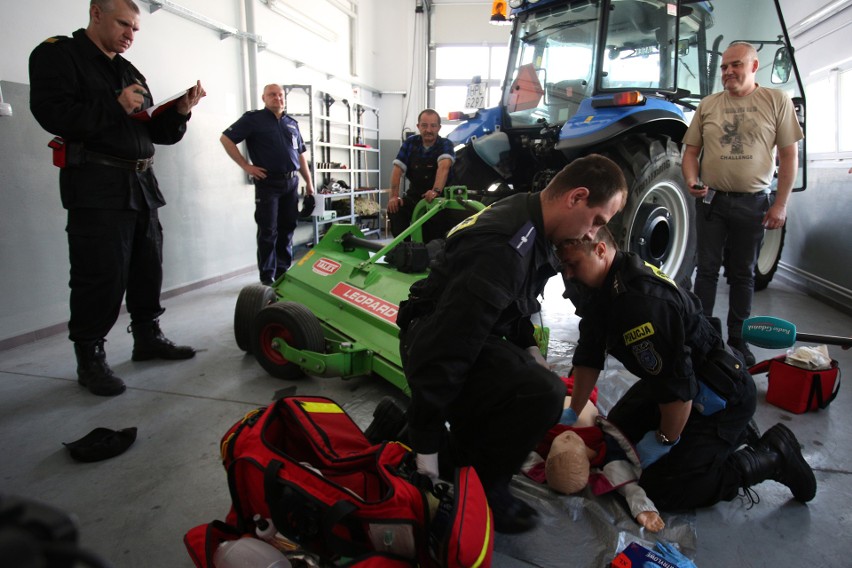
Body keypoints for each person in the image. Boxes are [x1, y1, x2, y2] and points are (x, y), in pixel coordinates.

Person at [395, 154, 628, 534]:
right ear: (576, 197)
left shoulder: (530, 219)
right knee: (541, 394)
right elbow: (446, 353)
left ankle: (461, 457)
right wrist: (426, 458)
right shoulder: (504, 248)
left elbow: (516, 307)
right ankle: (482, 488)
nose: (592, 235)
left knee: (534, 375)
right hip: (431, 340)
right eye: (597, 220)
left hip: (458, 331)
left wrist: (533, 353)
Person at [558, 227, 816, 513]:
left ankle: (770, 456)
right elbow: (589, 354)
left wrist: (664, 440)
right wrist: (572, 411)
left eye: (573, 265)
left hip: (719, 396)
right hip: (678, 380)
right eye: (564, 266)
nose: (568, 275)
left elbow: (677, 392)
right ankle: (724, 440)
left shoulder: (640, 304)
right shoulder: (603, 286)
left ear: (601, 251)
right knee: (616, 436)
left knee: (662, 487)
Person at [29, 0, 206, 397]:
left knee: (148, 266)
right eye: (124, 24)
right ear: (96, 14)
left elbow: (155, 132)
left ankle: (147, 337)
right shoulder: (59, 55)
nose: (130, 34)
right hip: (96, 185)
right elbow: (52, 113)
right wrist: (113, 104)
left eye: (135, 29)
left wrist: (179, 111)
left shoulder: (128, 69)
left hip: (142, 184)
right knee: (100, 274)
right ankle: (90, 358)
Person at [682, 41, 803, 366]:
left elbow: (790, 155)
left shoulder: (776, 100)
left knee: (743, 274)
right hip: (711, 202)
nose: (728, 72)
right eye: (724, 67)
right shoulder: (708, 105)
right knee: (705, 271)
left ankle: (738, 340)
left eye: (735, 64)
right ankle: (703, 336)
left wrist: (780, 204)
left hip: (754, 203)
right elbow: (690, 153)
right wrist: (692, 179)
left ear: (754, 66)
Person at [220, 84, 316, 285]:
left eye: (280, 95)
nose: (278, 98)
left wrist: (309, 182)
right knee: (268, 230)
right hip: (268, 183)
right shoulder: (253, 120)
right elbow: (226, 139)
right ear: (264, 98)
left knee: (288, 227)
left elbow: (300, 156)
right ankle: (267, 277)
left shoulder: (292, 123)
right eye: (272, 95)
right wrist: (246, 166)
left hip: (291, 182)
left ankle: (283, 272)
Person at [387, 109, 455, 237]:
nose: (428, 130)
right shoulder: (410, 143)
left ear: (439, 128)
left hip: (439, 199)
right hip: (415, 196)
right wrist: (394, 196)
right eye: (424, 125)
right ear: (418, 126)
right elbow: (397, 169)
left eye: (433, 126)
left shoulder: (445, 144)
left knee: (430, 232)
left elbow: (444, 167)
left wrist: (436, 191)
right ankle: (403, 250)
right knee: (395, 209)